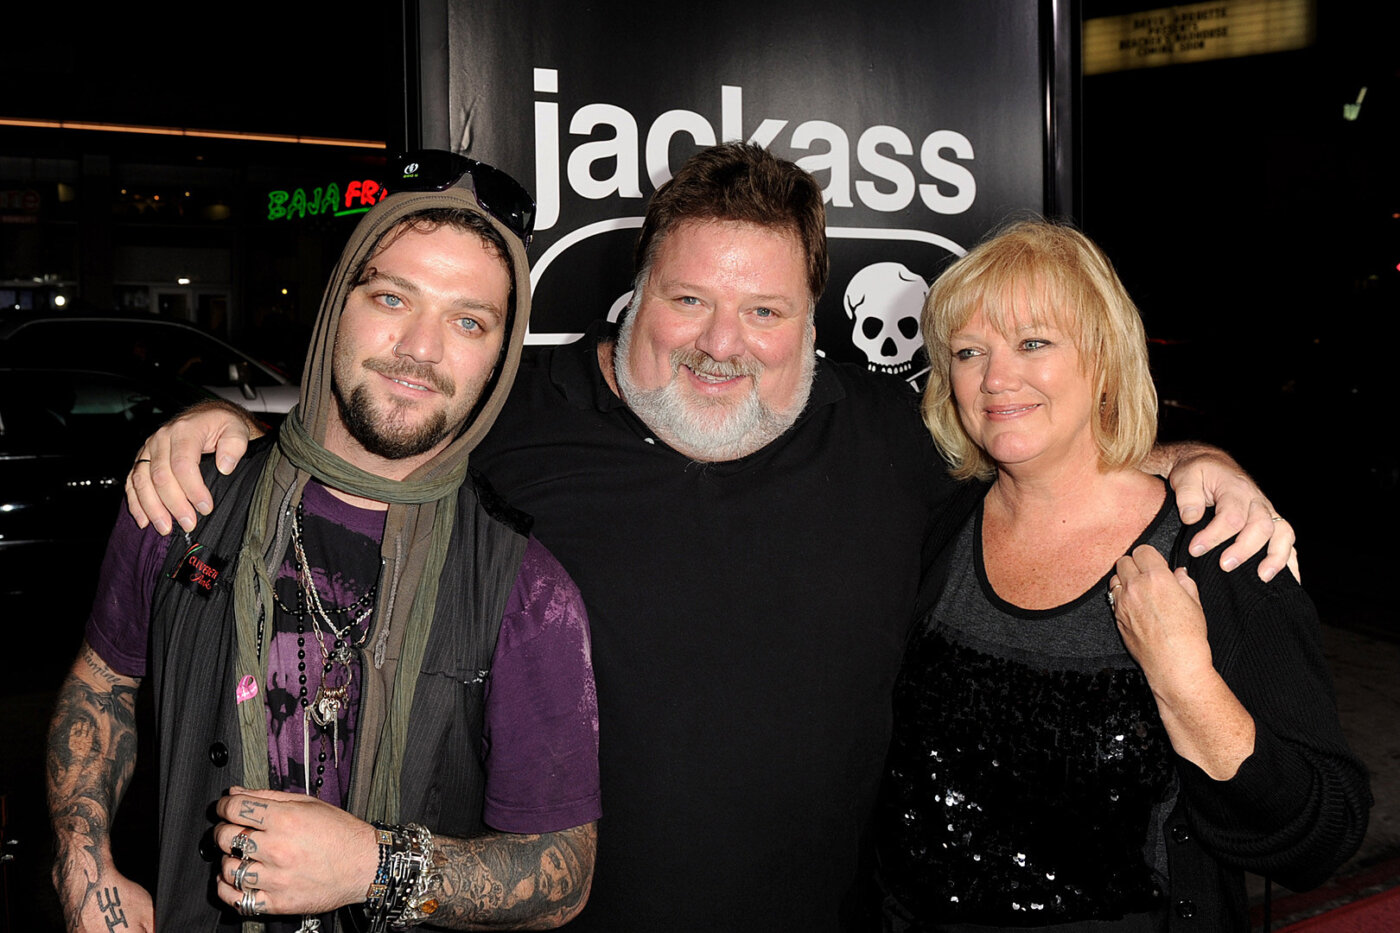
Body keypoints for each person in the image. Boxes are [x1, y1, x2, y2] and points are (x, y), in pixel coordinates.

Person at [123, 145, 1296, 932]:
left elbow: (1046, 453)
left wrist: (1192, 461)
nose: (721, 342)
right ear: (638, 289)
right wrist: (227, 426)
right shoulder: (515, 420)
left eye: (764, 309)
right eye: (689, 299)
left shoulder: (890, 438)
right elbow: (367, 428)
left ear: (811, 319)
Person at [47, 152, 600, 933]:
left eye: (468, 321)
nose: (422, 347)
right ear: (339, 302)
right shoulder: (185, 495)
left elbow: (563, 871)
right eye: (392, 297)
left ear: (500, 357)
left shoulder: (528, 591)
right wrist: (83, 861)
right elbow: (102, 682)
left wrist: (376, 864)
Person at [876, 220, 1370, 931]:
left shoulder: (1217, 550)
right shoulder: (935, 526)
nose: (995, 378)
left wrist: (1187, 685)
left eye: (1033, 343)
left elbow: (1324, 835)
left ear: (1103, 359)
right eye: (968, 351)